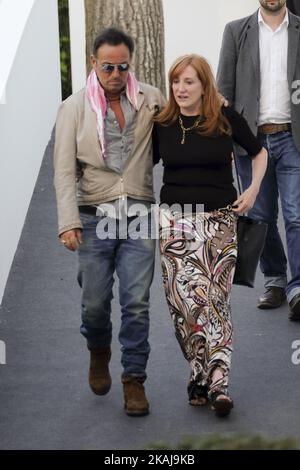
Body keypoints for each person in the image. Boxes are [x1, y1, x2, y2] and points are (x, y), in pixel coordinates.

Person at [54, 27, 165, 416]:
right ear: (93, 64)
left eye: (122, 66)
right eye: (107, 67)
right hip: (94, 215)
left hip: (138, 213)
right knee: (95, 303)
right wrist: (68, 221)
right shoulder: (74, 107)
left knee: (136, 301)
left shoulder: (151, 99)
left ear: (130, 63)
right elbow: (65, 172)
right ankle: (98, 350)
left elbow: (184, 128)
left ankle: (134, 380)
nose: (116, 74)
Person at [153, 54, 267, 416]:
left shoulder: (224, 119)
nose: (181, 89)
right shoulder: (163, 124)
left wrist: (251, 192)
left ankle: (219, 383)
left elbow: (259, 152)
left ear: (204, 85)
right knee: (183, 307)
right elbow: (140, 164)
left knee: (215, 304)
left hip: (219, 224)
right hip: (174, 224)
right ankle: (197, 372)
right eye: (176, 82)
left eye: (189, 82)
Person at [217, 0, 300, 320]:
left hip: (293, 139)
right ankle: (276, 279)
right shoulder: (237, 31)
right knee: (261, 217)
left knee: (295, 216)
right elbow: (224, 90)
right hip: (252, 141)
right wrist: (225, 140)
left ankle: (297, 286)